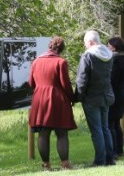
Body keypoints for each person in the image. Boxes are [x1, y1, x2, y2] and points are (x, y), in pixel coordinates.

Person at [28, 36, 76, 171]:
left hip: (39, 100)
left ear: (49, 46)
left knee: (43, 134)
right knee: (61, 133)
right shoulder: (61, 62)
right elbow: (65, 84)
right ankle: (65, 164)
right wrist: (72, 98)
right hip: (57, 100)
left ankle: (45, 165)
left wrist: (40, 90)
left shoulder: (36, 61)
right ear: (61, 49)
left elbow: (31, 83)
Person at [76, 30, 116, 166]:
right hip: (106, 95)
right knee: (105, 128)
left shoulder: (87, 56)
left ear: (91, 42)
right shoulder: (109, 55)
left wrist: (78, 96)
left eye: (85, 43)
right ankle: (110, 158)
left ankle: (100, 160)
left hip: (92, 97)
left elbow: (82, 79)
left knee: (97, 130)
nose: (85, 46)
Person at [107, 37, 124, 159]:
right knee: (116, 123)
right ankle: (119, 149)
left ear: (114, 47)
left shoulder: (116, 61)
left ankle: (114, 151)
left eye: (108, 45)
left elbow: (112, 80)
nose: (107, 48)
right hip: (121, 94)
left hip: (115, 95)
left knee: (111, 123)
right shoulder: (123, 59)